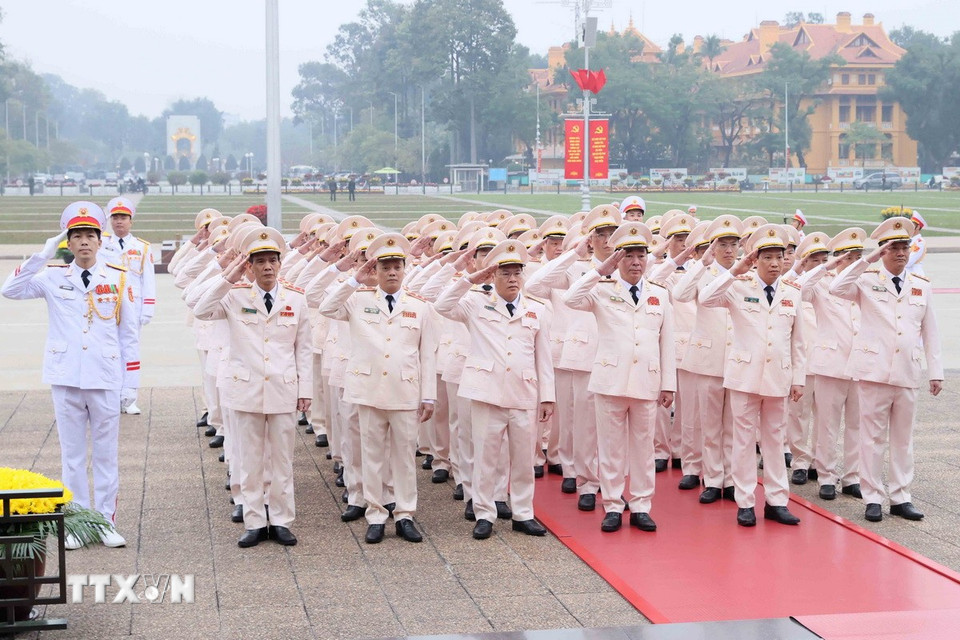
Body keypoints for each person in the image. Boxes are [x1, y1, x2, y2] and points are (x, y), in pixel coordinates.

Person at [2, 202, 139, 549]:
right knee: (72, 455)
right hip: (66, 377)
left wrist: (130, 384)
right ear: (68, 242)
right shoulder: (51, 276)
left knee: (106, 456)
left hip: (105, 377)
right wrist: (41, 253)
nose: (84, 243)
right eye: (76, 236)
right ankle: (78, 523)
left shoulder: (119, 278)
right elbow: (10, 290)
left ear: (100, 239)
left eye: (90, 236)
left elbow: (129, 335)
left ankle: (106, 521)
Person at [194, 227, 312, 547]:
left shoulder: (297, 299)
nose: (268, 267)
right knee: (249, 460)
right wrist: (228, 276)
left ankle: (282, 519)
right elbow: (201, 308)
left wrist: (306, 390)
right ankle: (255, 520)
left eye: (272, 260)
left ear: (280, 263)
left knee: (282, 460)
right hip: (245, 390)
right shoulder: (233, 296)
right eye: (259, 261)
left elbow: (303, 348)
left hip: (283, 389)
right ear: (250, 266)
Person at [320, 233, 438, 544]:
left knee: (403, 458)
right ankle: (375, 514)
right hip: (369, 390)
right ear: (376, 269)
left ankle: (405, 514)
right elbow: (325, 306)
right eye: (384, 266)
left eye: (397, 266)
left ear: (405, 268)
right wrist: (353, 280)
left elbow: (428, 354)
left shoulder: (420, 307)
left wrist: (428, 395)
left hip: (405, 392)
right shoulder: (358, 300)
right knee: (370, 456)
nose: (391, 272)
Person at [435, 240, 555, 540]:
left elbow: (544, 357)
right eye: (505, 274)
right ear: (493, 276)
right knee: (485, 458)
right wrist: (470, 280)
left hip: (523, 394)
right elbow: (441, 305)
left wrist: (548, 396)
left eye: (517, 273)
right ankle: (484, 513)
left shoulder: (536, 309)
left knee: (524, 460)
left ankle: (523, 513)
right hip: (487, 393)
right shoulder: (476, 304)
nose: (513, 279)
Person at [564, 222, 675, 533]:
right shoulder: (601, 290)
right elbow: (571, 299)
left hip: (646, 381)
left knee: (643, 448)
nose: (636, 262)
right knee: (611, 448)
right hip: (611, 381)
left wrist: (669, 384)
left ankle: (641, 505)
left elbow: (666, 341)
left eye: (641, 255)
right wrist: (602, 269)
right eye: (628, 256)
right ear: (617, 259)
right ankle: (613, 504)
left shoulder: (660, 294)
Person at [830, 217, 943, 522]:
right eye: (894, 248)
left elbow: (930, 331)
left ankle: (901, 496)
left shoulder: (920, 286)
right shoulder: (866, 280)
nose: (901, 253)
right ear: (882, 252)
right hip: (873, 370)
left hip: (907, 372)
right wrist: (865, 260)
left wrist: (936, 371)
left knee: (903, 439)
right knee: (872, 437)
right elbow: (836, 287)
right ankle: (872, 497)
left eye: (905, 247)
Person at [700, 224, 805, 528]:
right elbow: (706, 299)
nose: (774, 263)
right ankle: (745, 501)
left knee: (774, 441)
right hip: (744, 376)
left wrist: (799, 378)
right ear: (755, 259)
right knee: (743, 442)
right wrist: (735, 270)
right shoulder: (738, 285)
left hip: (778, 377)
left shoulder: (792, 292)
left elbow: (798, 340)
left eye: (779, 257)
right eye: (767, 257)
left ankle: (777, 502)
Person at [673, 215, 744, 504]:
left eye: (733, 244)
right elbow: (680, 293)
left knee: (734, 426)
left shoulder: (748, 273)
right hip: (708, 358)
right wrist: (701, 263)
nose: (728, 250)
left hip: (738, 359)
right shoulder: (701, 272)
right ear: (712, 247)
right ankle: (713, 479)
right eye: (722, 245)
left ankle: (731, 479)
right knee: (709, 425)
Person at [796, 227, 865, 500]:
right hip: (830, 363)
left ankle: (852, 477)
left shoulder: (867, 284)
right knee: (827, 423)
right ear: (839, 259)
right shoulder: (822, 285)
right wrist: (825, 268)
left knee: (858, 425)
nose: (855, 261)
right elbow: (800, 289)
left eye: (859, 255)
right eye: (849, 256)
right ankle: (826, 475)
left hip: (860, 365)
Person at [100, 196, 156, 415]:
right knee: (109, 351)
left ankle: (129, 396)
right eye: (115, 217)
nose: (119, 222)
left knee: (130, 349)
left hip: (134, 306)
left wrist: (148, 309)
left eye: (123, 217)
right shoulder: (102, 243)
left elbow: (148, 280)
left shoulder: (141, 247)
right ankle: (111, 394)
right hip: (107, 303)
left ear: (131, 221)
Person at [906, 211, 927, 277]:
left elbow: (909, 262)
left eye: (912, 225)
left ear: (918, 227)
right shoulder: (908, 239)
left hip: (914, 274)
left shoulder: (919, 242)